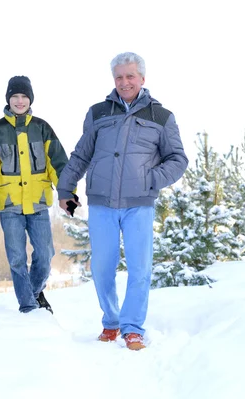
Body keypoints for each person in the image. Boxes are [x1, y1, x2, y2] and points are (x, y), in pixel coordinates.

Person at [57, 52, 188, 350]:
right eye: (119, 77)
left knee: (140, 268)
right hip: (102, 202)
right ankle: (112, 321)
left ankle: (133, 328)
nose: (124, 82)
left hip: (139, 204)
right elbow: (81, 154)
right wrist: (66, 189)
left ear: (142, 78)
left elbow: (178, 159)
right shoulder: (98, 112)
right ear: (113, 79)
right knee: (102, 267)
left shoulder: (161, 116)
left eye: (130, 76)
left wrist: (151, 179)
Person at [0, 76, 70, 314]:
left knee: (45, 255)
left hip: (38, 203)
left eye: (24, 96)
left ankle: (34, 293)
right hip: (10, 206)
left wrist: (67, 193)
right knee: (17, 259)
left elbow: (58, 164)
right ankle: (28, 306)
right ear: (8, 99)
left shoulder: (42, 128)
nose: (19, 101)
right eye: (14, 96)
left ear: (30, 99)